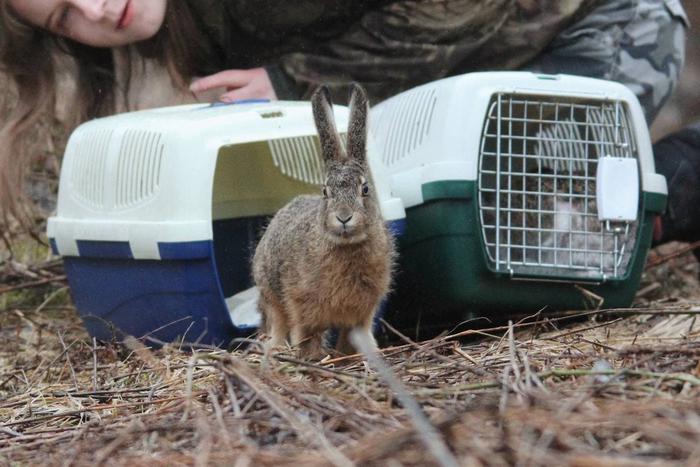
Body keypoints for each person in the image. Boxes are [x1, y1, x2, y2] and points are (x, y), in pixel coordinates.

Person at [0, 0, 695, 250]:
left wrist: (292, 80)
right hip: (444, 94)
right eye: (65, 16)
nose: (96, 8)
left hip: (598, 30)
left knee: (519, 242)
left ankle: (677, 180)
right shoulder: (179, 28)